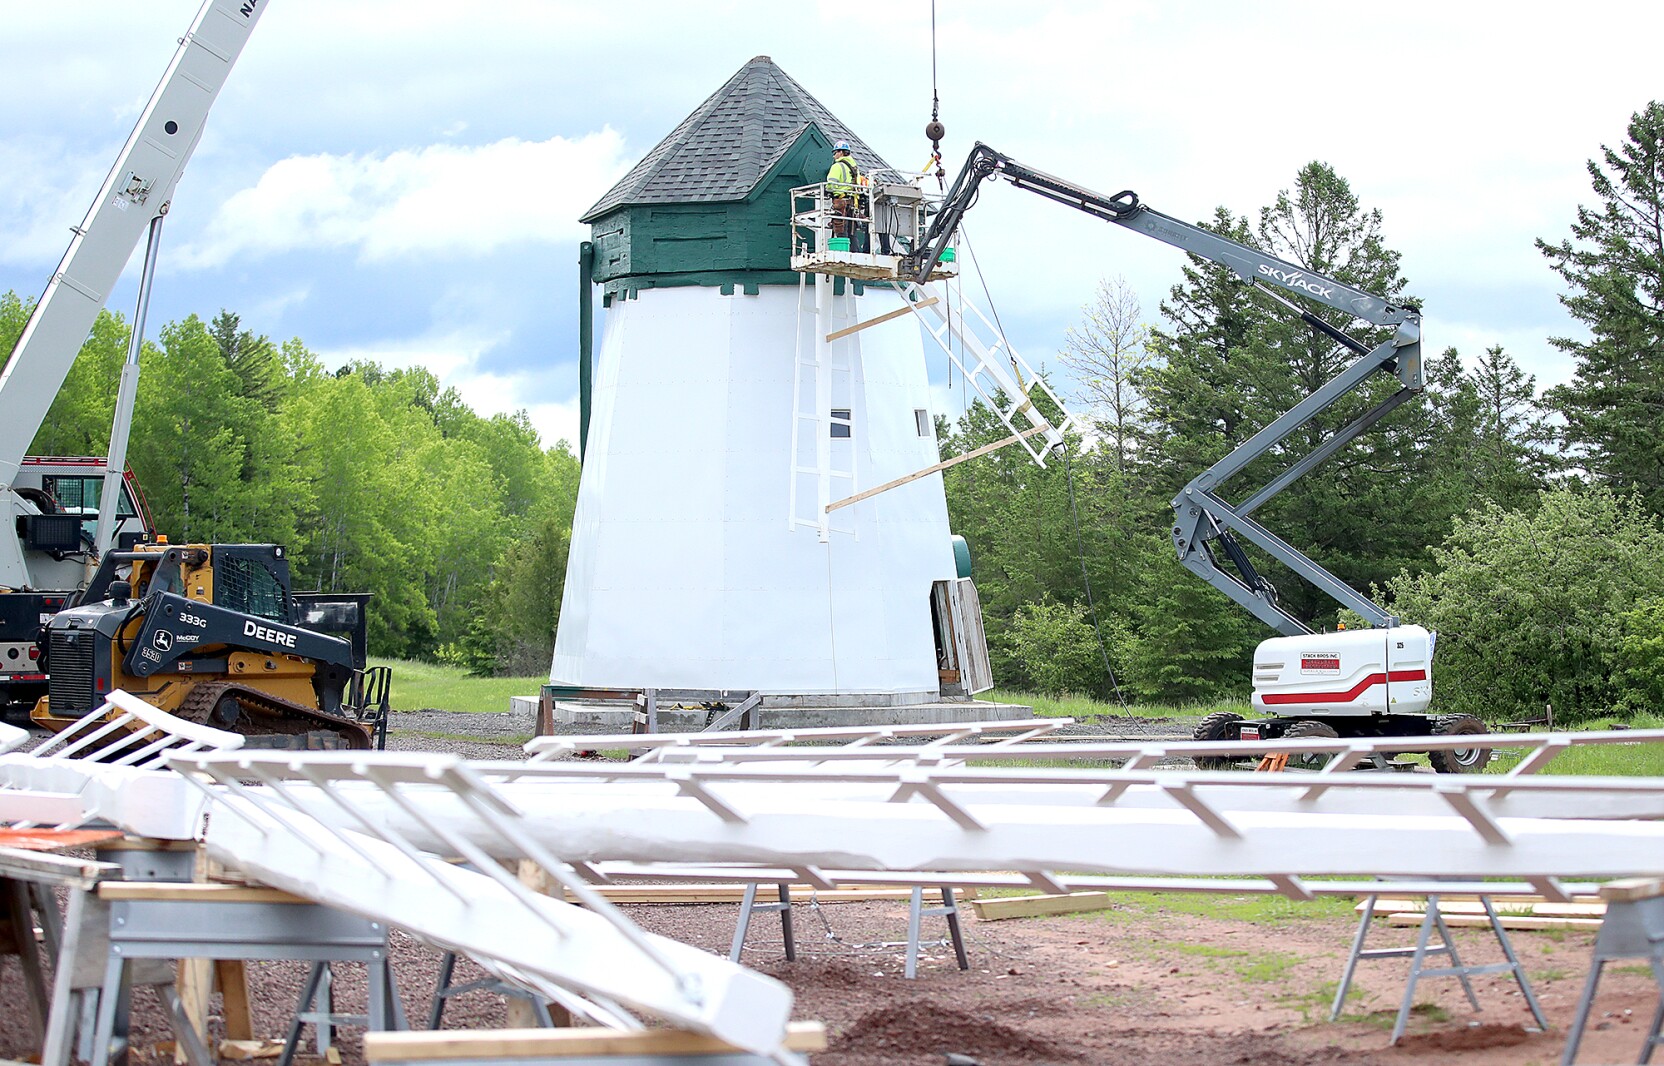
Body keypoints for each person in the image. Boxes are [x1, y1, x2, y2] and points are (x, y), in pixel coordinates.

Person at [825, 141, 863, 246]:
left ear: (841, 152)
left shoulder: (837, 166)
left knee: (841, 230)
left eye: (835, 153)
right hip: (853, 204)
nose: (834, 156)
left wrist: (827, 190)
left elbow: (831, 185)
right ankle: (854, 252)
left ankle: (843, 250)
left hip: (841, 203)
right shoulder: (855, 168)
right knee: (852, 232)